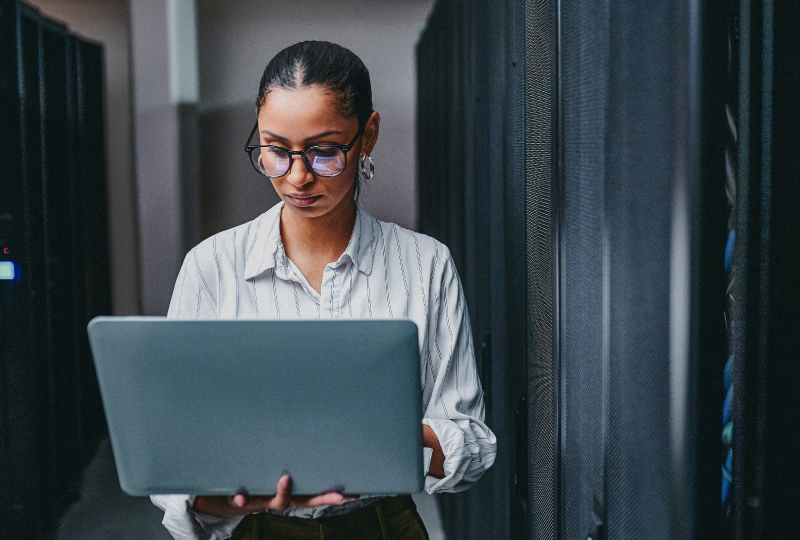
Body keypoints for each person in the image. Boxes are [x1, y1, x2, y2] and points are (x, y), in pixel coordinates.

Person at [150, 40, 496, 540]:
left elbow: (470, 443)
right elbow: (171, 448)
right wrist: (220, 495)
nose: (298, 176)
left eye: (325, 151)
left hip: (382, 526)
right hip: (256, 527)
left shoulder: (424, 264)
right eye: (276, 150)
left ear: (368, 135)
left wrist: (372, 437)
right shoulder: (212, 267)